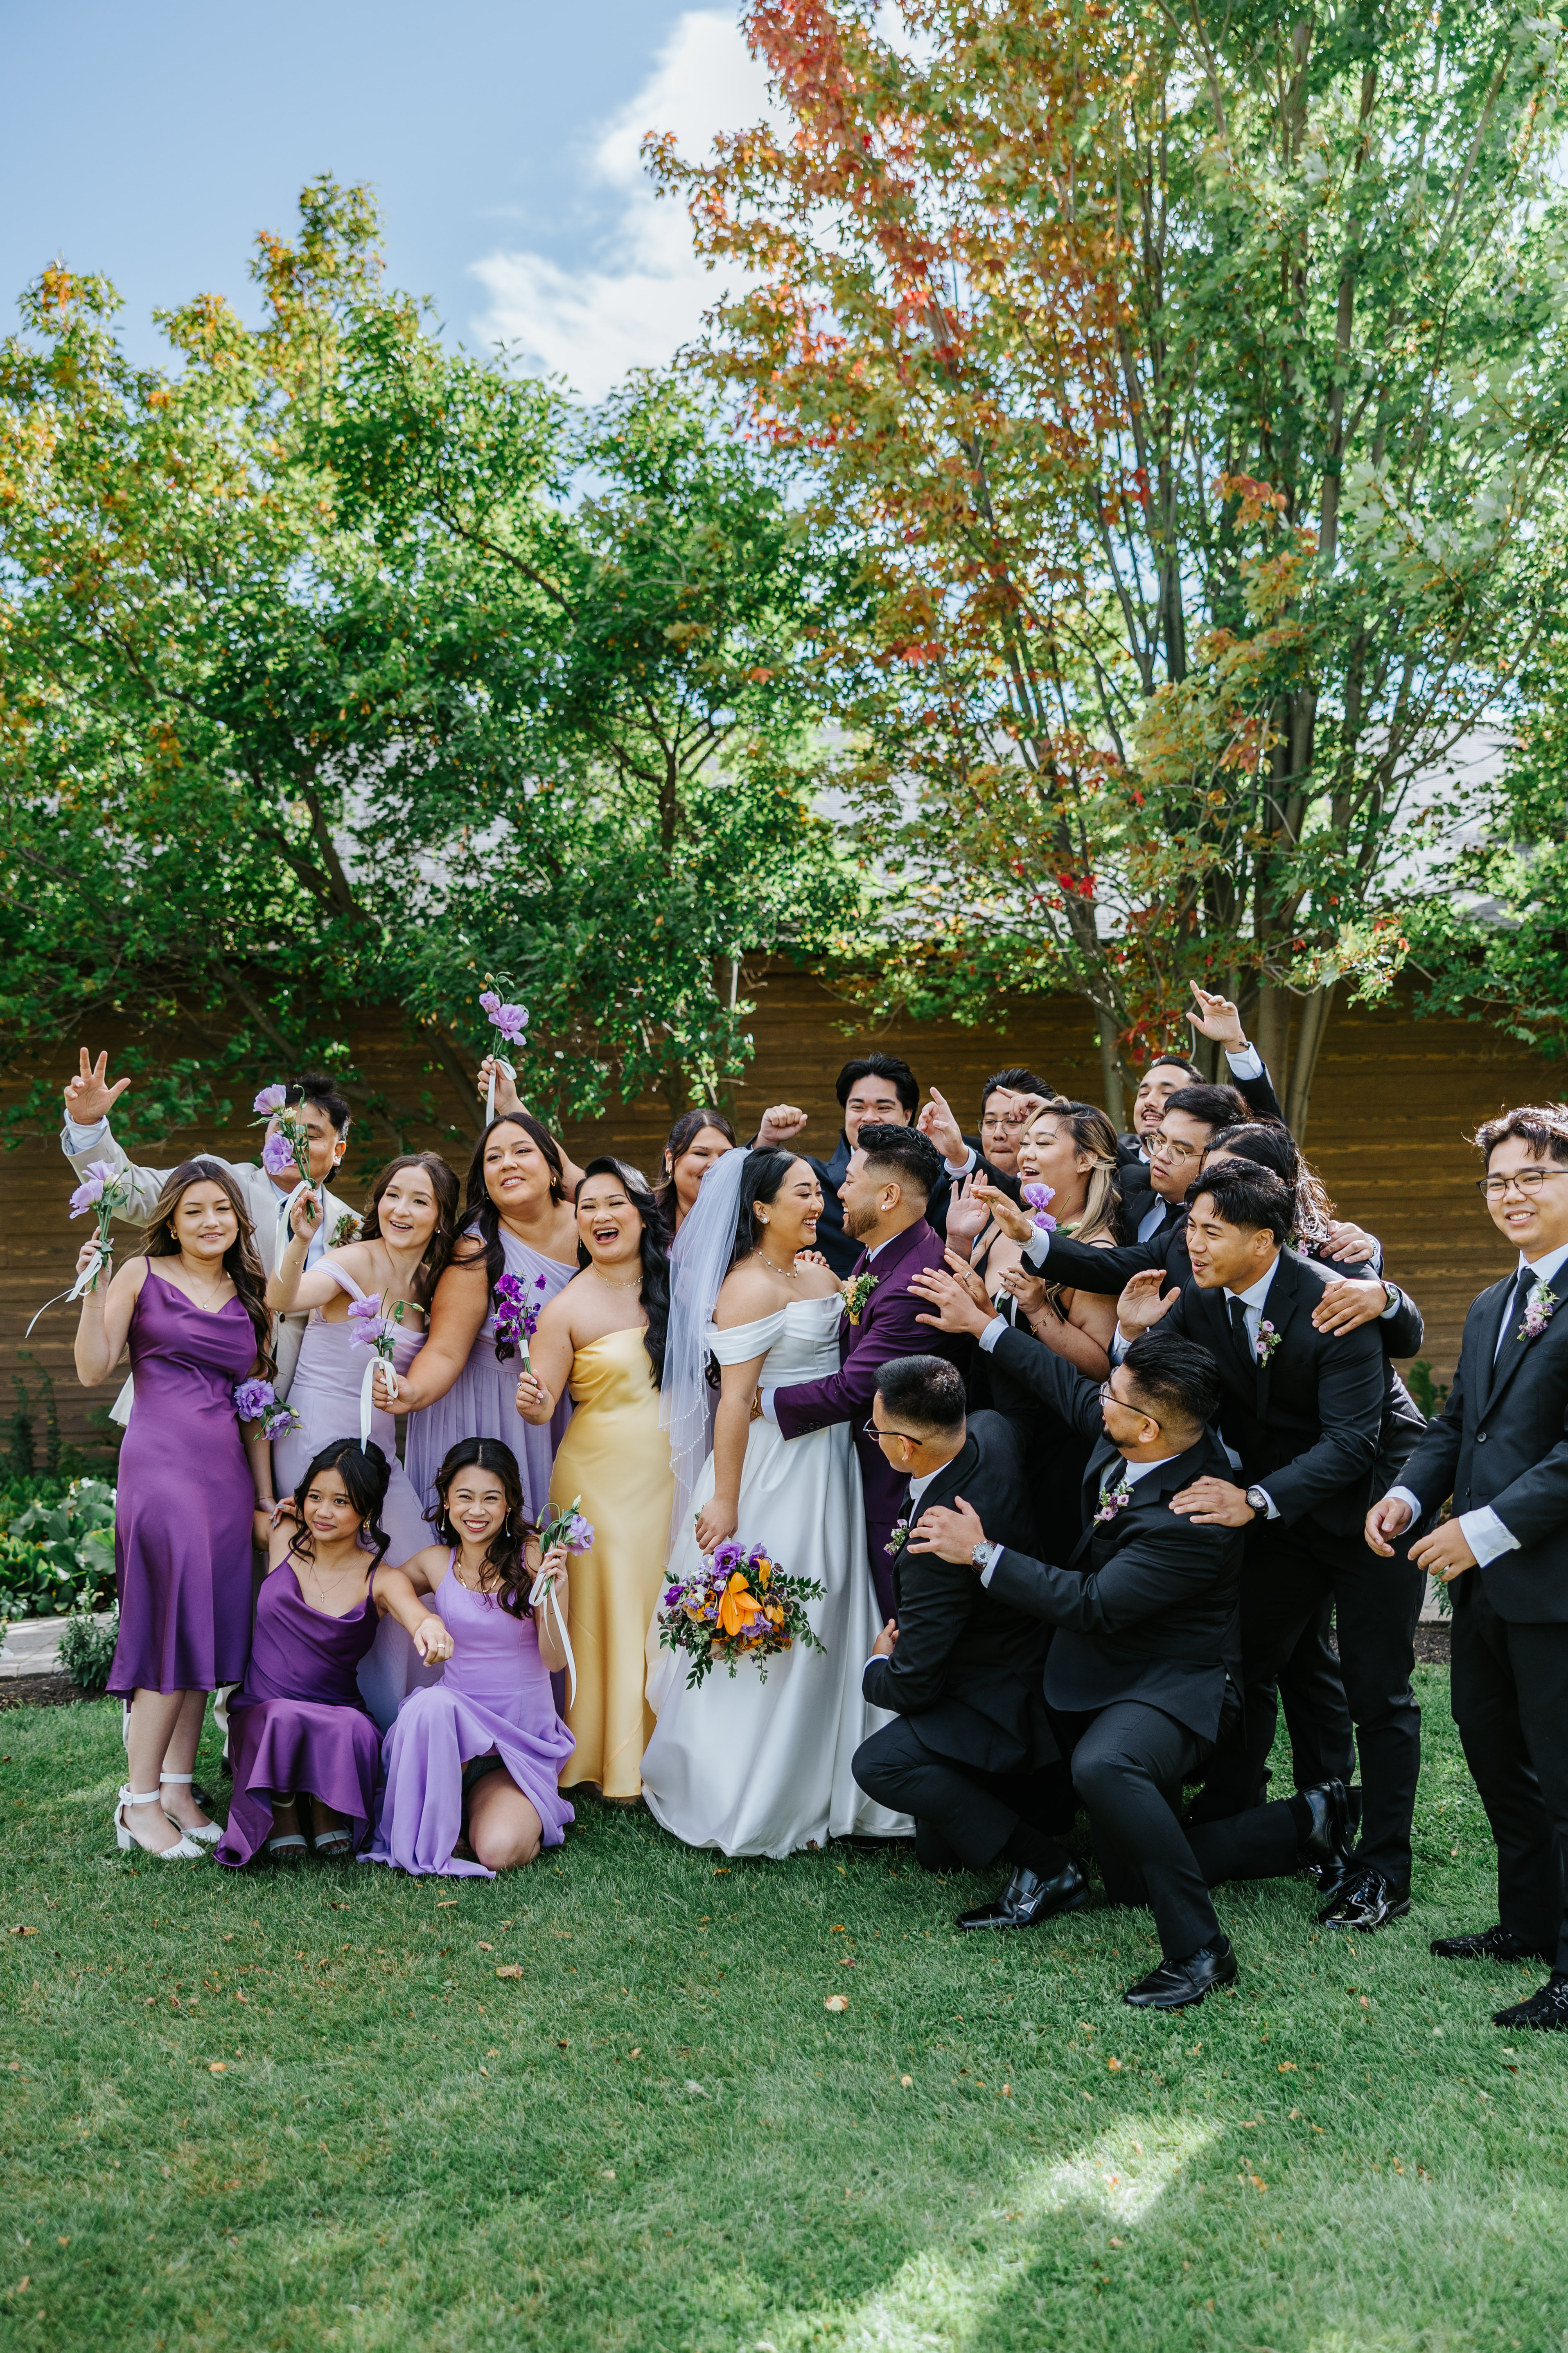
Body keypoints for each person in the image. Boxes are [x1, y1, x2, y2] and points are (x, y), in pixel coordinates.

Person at [1115, 1163, 1425, 1933]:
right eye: (1189, 1226)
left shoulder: (1331, 1301)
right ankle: (1238, 1811)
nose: (1191, 1242)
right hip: (1286, 1513)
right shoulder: (1201, 1298)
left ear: (1264, 1240)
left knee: (1375, 1689)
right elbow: (1161, 1382)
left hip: (1370, 1510)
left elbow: (1354, 1442)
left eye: (1208, 1230)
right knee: (1244, 1655)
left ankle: (1384, 1865)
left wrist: (1253, 1500)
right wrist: (1133, 1331)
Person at [641, 1150, 910, 1854]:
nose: (817, 1202)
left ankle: (833, 1782)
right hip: (774, 1471)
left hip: (833, 1465)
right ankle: (748, 1784)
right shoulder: (749, 1287)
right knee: (781, 1612)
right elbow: (732, 1402)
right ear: (760, 1208)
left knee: (834, 1604)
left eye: (819, 1191)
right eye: (800, 1192)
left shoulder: (825, 1270)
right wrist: (726, 1498)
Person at [1367, 1104, 1568, 2031]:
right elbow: (1458, 1425)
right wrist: (1410, 1495)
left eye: (1533, 1175)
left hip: (1552, 1584)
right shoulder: (1495, 1299)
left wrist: (1480, 1529)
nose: (1511, 1194)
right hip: (1486, 1584)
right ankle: (1528, 1924)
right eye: (1498, 1180)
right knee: (1494, 1753)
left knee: (1562, 1775)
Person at [72, 1160, 277, 1859]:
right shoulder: (141, 1274)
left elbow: (254, 1413)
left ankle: (181, 1789)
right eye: (195, 1210)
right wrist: (93, 1286)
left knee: (206, 1632)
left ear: (238, 1218)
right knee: (168, 1627)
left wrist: (262, 1497)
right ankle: (137, 1803)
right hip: (160, 1467)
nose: (210, 1220)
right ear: (172, 1218)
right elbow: (93, 1367)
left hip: (223, 1477)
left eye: (222, 1207)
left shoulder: (251, 1298)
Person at [851, 1357, 1070, 1896]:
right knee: (937, 1854)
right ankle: (1016, 1799)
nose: (873, 1436)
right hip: (1032, 1658)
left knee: (877, 1765)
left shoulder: (933, 1548)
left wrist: (877, 1663)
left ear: (905, 1448)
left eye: (876, 1429)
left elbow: (911, 1684)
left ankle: (1046, 1866)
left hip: (998, 1699)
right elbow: (1015, 1415)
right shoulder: (991, 1431)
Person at [266, 1152, 461, 1728]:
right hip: (315, 1442)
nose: (401, 1209)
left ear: (440, 1216)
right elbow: (285, 1298)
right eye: (392, 1195)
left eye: (420, 1200)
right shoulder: (352, 1259)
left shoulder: (432, 1281)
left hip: (379, 1452)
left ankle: (402, 1722)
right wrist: (300, 1242)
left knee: (406, 1567)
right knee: (337, 1583)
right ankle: (321, 1718)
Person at [59, 1053, 357, 1405]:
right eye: (282, 1131)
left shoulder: (355, 1229)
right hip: (194, 1394)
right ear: (266, 1137)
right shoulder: (218, 1182)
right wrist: (88, 1125)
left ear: (337, 1150)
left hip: (304, 1408)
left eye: (309, 1135)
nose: (293, 1144)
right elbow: (126, 1190)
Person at [214, 1440, 455, 1867]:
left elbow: (418, 1616)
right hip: (263, 1708)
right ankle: (285, 1805)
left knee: (355, 1729)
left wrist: (431, 1630)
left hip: (337, 1709)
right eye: (315, 1497)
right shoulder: (283, 1533)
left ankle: (324, 1803)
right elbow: (216, 1517)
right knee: (280, 1717)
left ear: (367, 1511)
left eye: (340, 1502)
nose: (323, 1512)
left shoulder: (382, 1578)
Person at [516, 1160, 674, 1801]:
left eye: (615, 1203)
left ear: (641, 1213)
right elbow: (544, 1401)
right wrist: (531, 1402)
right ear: (576, 1223)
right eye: (588, 1207)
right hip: (599, 1482)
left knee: (664, 1598)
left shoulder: (681, 1288)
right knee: (612, 1605)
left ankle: (672, 1747)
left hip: (673, 1473)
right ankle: (609, 1761)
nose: (601, 1217)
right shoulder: (564, 1309)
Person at [763, 1125, 958, 1618]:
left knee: (895, 1611)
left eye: (849, 1181)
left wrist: (761, 1402)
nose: (839, 1193)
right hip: (851, 1464)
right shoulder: (881, 1254)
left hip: (891, 1480)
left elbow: (856, 1388)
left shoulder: (913, 1280)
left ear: (888, 1195)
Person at [367, 1438, 577, 1877]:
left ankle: (479, 1811)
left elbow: (555, 1662)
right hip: (451, 1739)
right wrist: (422, 1618)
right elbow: (378, 1588)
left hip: (515, 1747)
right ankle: (447, 1807)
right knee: (430, 1704)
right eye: (464, 1497)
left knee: (500, 1851)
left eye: (491, 1498)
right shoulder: (434, 1563)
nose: (476, 1510)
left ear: (509, 1504)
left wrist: (556, 1596)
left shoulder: (535, 1555)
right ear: (446, 1500)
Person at [383, 1112, 581, 1523]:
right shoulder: (476, 1249)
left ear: (554, 1170)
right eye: (493, 1158)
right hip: (486, 1410)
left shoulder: (595, 1225)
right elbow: (445, 1350)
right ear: (486, 1183)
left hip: (566, 1408)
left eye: (522, 1151)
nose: (506, 1163)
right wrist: (412, 1392)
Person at [749, 1053, 920, 1276]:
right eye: (858, 1107)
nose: (869, 1118)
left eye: (883, 1108)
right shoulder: (809, 1178)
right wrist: (767, 1140)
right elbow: (741, 1198)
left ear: (907, 1115)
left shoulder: (932, 1179)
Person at [1118, 987, 1284, 1168]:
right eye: (1143, 1094)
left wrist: (1235, 1042)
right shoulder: (1108, 1154)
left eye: (1166, 1093)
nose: (1149, 1101)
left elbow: (1271, 1137)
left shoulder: (1215, 1167)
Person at [652, 1108, 738, 1236]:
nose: (716, 1165)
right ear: (670, 1160)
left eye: (725, 1156)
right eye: (702, 1154)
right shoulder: (645, 1222)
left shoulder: (746, 1226)